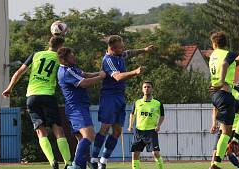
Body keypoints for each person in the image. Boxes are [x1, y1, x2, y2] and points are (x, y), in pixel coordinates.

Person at [2, 36, 71, 169]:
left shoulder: (36, 54)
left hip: (32, 97)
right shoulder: (59, 58)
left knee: (40, 131)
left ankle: (52, 162)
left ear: (48, 44)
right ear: (60, 46)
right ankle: (68, 163)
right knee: (58, 129)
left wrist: (9, 88)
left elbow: (19, 72)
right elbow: (69, 70)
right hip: (47, 96)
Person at [89, 35, 155, 169]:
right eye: (120, 47)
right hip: (109, 96)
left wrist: (144, 50)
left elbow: (130, 53)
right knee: (105, 127)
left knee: (117, 131)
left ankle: (103, 161)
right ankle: (93, 159)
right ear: (112, 48)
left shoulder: (119, 55)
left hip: (119, 96)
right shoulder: (108, 60)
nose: (123, 49)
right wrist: (135, 72)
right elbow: (118, 77)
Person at [208, 31, 239, 169]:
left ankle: (234, 140)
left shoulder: (212, 55)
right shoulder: (228, 54)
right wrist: (222, 81)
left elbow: (236, 61)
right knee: (226, 133)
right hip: (224, 93)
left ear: (214, 43)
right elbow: (225, 64)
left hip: (217, 95)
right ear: (224, 43)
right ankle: (215, 164)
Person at [57, 47, 106, 169]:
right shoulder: (66, 71)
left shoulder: (72, 68)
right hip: (76, 109)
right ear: (63, 60)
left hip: (77, 108)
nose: (74, 56)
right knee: (90, 136)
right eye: (71, 55)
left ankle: (83, 165)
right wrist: (101, 77)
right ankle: (76, 165)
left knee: (82, 140)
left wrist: (99, 73)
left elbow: (84, 74)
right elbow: (84, 82)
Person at [210, 86, 239, 169]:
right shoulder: (220, 91)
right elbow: (215, 108)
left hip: (237, 129)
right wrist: (214, 123)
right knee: (215, 155)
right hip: (224, 128)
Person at [128, 81, 165, 169]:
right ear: (142, 89)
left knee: (155, 153)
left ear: (152, 89)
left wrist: (159, 125)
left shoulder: (157, 103)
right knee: (135, 154)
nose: (146, 89)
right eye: (144, 87)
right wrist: (130, 125)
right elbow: (132, 114)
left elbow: (162, 116)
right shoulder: (137, 102)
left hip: (151, 132)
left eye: (148, 87)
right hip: (139, 131)